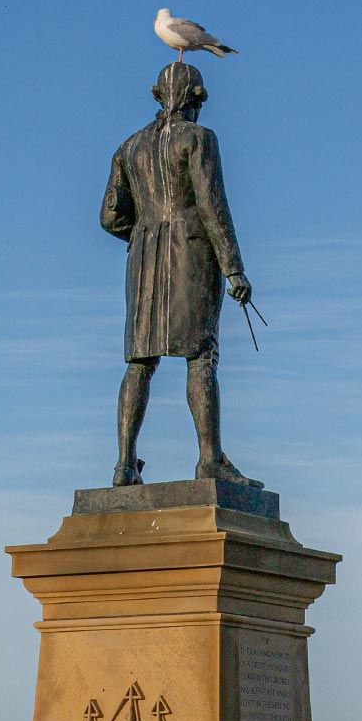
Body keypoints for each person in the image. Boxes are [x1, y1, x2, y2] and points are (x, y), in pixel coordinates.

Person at [99, 60, 259, 490]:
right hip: (190, 254)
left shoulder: (129, 147)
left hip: (144, 258)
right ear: (195, 99)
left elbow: (110, 217)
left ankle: (124, 464)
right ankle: (210, 460)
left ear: (158, 96)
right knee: (201, 356)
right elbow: (212, 205)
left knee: (140, 361)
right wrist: (234, 267)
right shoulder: (198, 139)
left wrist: (146, 234)